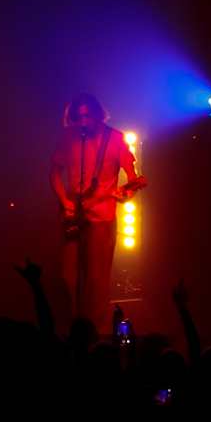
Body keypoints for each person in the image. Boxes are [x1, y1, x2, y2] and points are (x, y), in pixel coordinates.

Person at [50, 92, 140, 332]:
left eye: (87, 116)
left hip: (103, 217)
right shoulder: (69, 136)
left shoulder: (116, 138)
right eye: (78, 117)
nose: (83, 122)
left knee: (98, 281)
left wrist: (125, 195)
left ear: (98, 115)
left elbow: (133, 180)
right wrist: (64, 200)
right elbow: (54, 173)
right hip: (73, 214)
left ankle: (96, 333)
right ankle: (76, 327)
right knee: (69, 277)